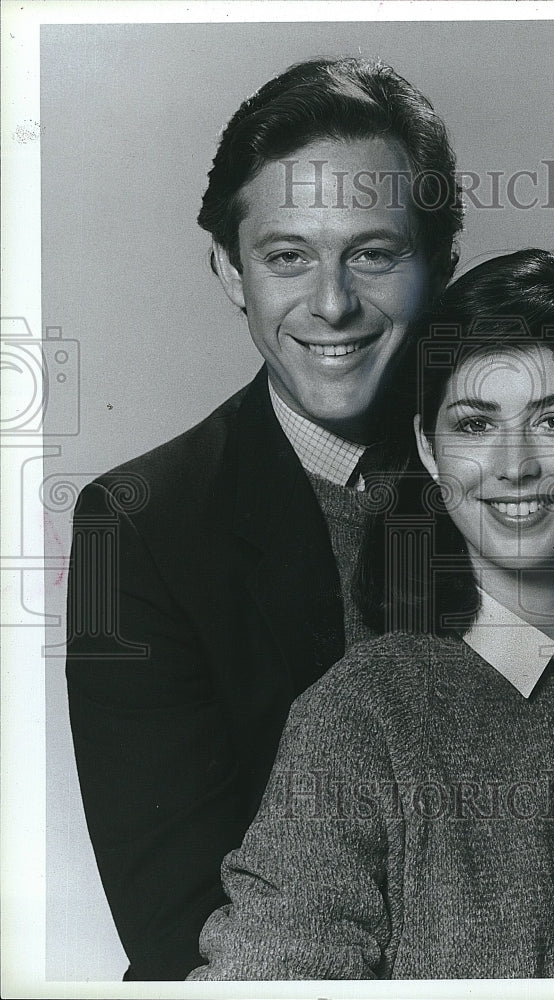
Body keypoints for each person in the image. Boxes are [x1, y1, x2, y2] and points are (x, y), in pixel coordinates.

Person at [187, 249, 554, 980]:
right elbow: (274, 974)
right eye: (474, 424)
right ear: (428, 449)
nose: (513, 464)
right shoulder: (362, 716)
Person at [65, 57, 462, 981]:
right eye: (288, 256)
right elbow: (174, 925)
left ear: (441, 264)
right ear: (230, 271)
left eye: (373, 252)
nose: (330, 304)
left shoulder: (515, 483)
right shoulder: (138, 528)